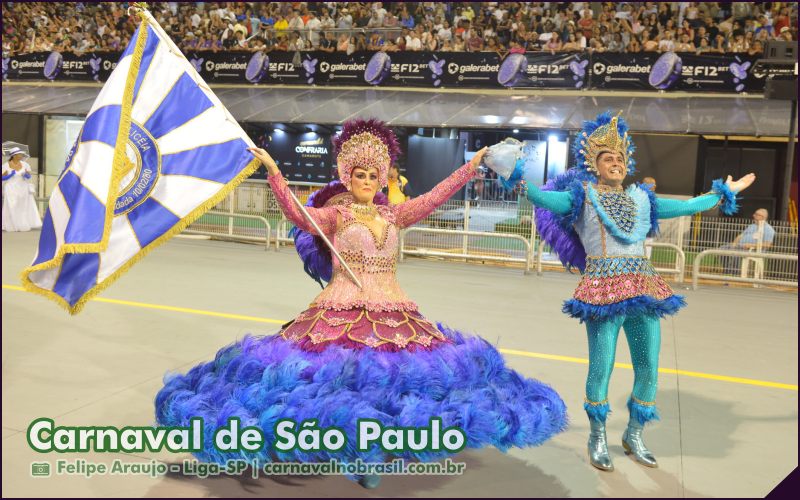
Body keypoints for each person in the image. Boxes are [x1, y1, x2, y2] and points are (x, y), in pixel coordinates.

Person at [155, 118, 568, 489]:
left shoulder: (394, 216)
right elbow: (300, 216)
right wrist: (275, 173)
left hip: (394, 309)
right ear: (348, 178)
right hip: (341, 305)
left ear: (381, 177)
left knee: (393, 381)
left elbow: (436, 197)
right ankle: (345, 445)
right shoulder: (336, 216)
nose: (368, 180)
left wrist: (470, 165)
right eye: (361, 174)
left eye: (374, 174)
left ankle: (375, 448)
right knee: (340, 379)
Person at [494, 111, 754, 472]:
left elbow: (686, 206)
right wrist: (514, 174)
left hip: (645, 289)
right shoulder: (580, 197)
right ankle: (597, 435)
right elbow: (540, 198)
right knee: (602, 367)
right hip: (602, 291)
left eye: (619, 159)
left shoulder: (643, 199)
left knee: (649, 367)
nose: (615, 163)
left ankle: (634, 434)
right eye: (607, 159)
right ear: (595, 165)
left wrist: (722, 193)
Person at [719, 208, 775, 275]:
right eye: (755, 214)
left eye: (756, 214)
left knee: (736, 252)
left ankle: (736, 273)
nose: (753, 215)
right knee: (722, 248)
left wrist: (752, 245)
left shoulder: (768, 229)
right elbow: (740, 236)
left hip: (753, 250)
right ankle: (727, 270)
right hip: (740, 246)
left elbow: (768, 244)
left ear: (763, 217)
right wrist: (734, 243)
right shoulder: (751, 226)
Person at [2, 146, 42, 232]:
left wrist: (25, 175)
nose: (21, 156)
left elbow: (29, 176)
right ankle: (12, 224)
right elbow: (2, 178)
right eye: (19, 154)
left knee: (22, 206)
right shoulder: (5, 165)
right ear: (14, 155)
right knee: (12, 205)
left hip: (23, 187)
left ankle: (22, 224)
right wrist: (10, 175)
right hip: (11, 188)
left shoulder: (25, 165)